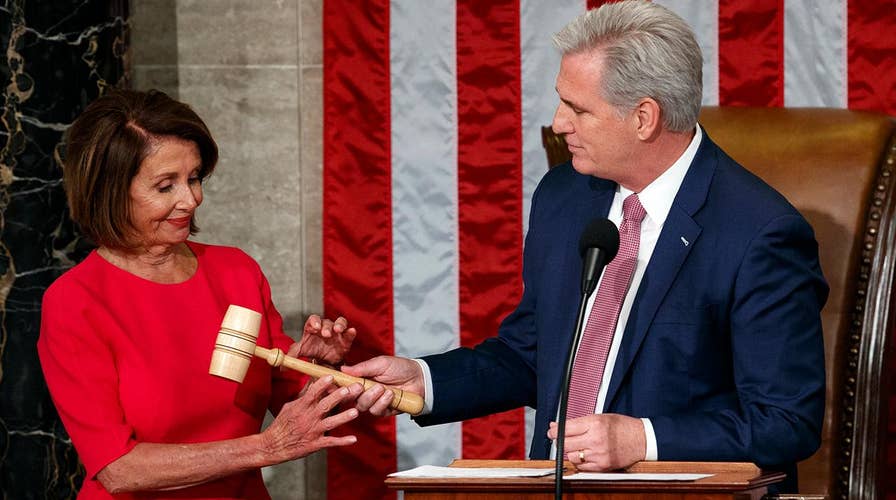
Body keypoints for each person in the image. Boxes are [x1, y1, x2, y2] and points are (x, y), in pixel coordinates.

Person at [342, 0, 827, 493]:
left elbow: (785, 421)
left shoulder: (760, 232)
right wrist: (425, 382)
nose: (558, 123)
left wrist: (643, 439)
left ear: (643, 118)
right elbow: (533, 355)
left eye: (577, 108)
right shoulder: (564, 197)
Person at [38, 89, 362, 499]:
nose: (191, 199)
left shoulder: (236, 272)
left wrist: (318, 368)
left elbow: (293, 405)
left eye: (193, 178)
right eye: (165, 186)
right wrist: (265, 447)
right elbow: (118, 468)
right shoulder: (75, 302)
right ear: (110, 190)